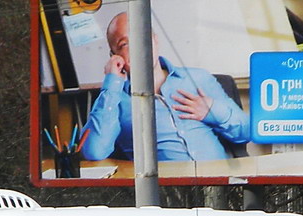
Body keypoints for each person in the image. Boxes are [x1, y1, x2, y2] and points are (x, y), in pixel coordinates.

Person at [81, 11, 250, 163]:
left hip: (219, 185)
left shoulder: (198, 78)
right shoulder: (115, 98)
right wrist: (112, 83)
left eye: (142, 36)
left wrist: (212, 110)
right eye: (125, 44)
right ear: (115, 56)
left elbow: (246, 131)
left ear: (155, 40)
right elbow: (93, 151)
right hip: (166, 192)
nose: (138, 47)